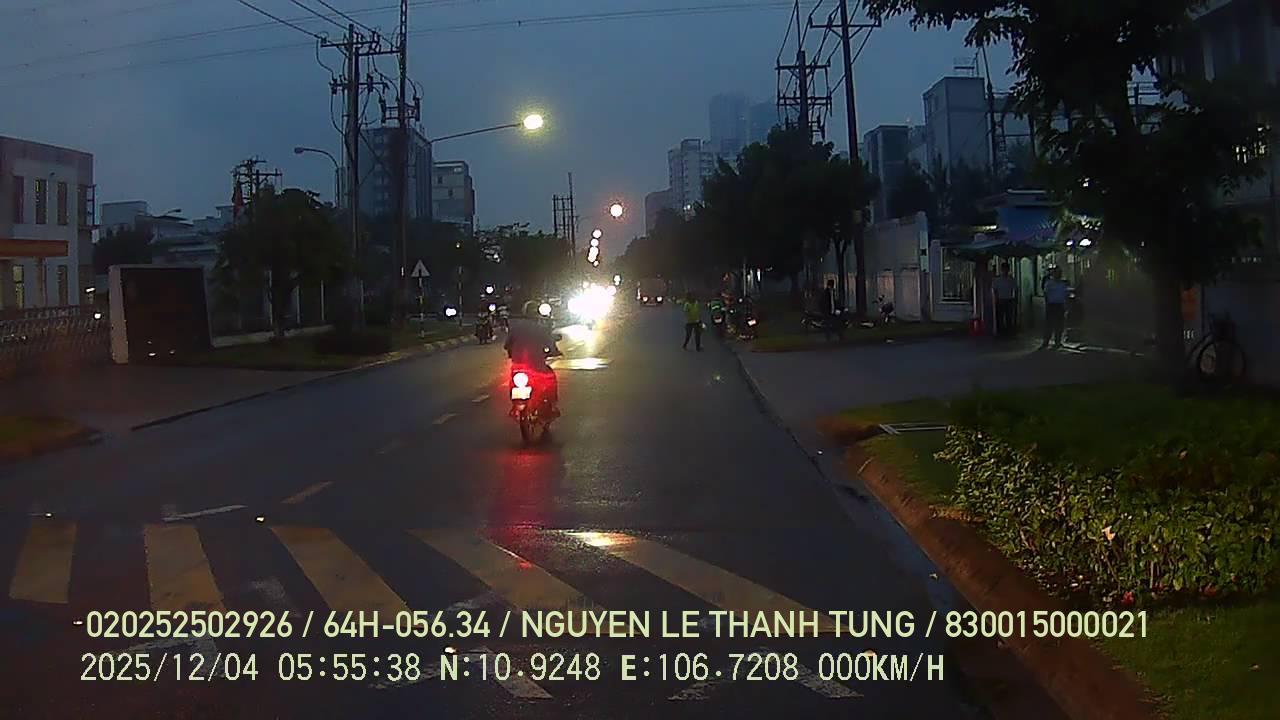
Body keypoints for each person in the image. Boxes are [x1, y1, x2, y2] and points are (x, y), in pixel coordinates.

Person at [504, 311, 560, 414]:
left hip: (518, 364)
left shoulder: (515, 328)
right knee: (551, 378)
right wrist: (554, 351)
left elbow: (507, 345)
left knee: (512, 380)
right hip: (537, 364)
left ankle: (514, 406)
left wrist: (512, 351)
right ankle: (552, 405)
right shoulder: (541, 328)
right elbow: (550, 344)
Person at [1041, 267, 1069, 349]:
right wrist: (1047, 304)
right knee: (1049, 324)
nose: (1058, 275)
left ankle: (1057, 342)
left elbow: (1065, 295)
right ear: (1053, 274)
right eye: (1056, 273)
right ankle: (1046, 342)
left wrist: (1066, 305)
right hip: (1051, 305)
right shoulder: (1049, 283)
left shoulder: (1063, 284)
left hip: (1060, 305)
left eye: (1059, 273)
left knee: (1059, 325)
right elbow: (1046, 294)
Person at [993, 262, 1017, 338]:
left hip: (1008, 299)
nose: (1005, 271)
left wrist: (1014, 299)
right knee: (1000, 317)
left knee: (1008, 317)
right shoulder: (997, 279)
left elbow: (1015, 289)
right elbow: (995, 290)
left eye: (1006, 269)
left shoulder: (1011, 279)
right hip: (1000, 299)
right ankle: (1001, 332)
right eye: (1004, 269)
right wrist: (996, 299)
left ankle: (1008, 333)